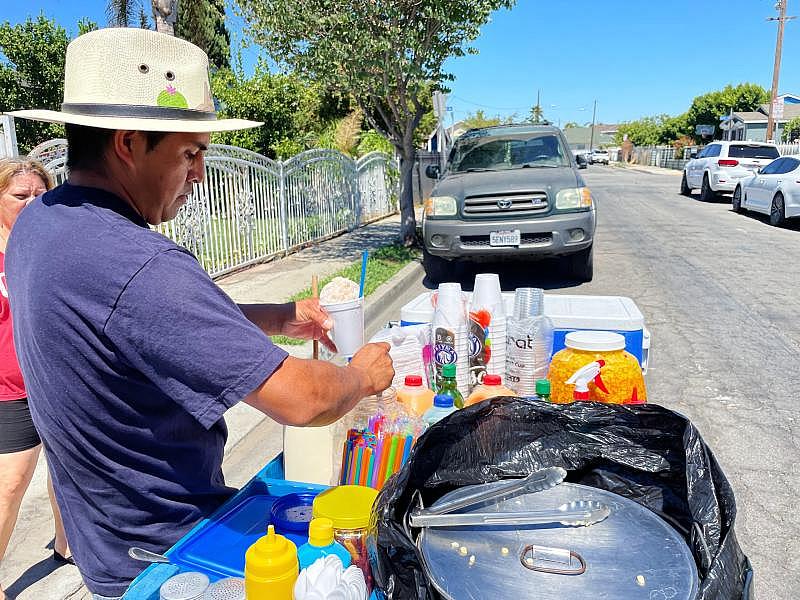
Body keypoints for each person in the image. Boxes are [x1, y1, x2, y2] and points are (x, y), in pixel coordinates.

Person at [6, 28, 393, 599]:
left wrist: (278, 315)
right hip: (168, 553)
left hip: (104, 543)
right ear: (129, 143)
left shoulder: (41, 223)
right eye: (189, 152)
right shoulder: (139, 264)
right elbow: (301, 400)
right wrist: (361, 376)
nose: (200, 174)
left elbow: (139, 325)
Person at [0, 158, 72, 600]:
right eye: (19, 196)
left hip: (57, 377)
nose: (30, 203)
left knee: (67, 469)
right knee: (10, 485)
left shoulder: (51, 244)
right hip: (11, 389)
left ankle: (67, 545)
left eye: (39, 195)